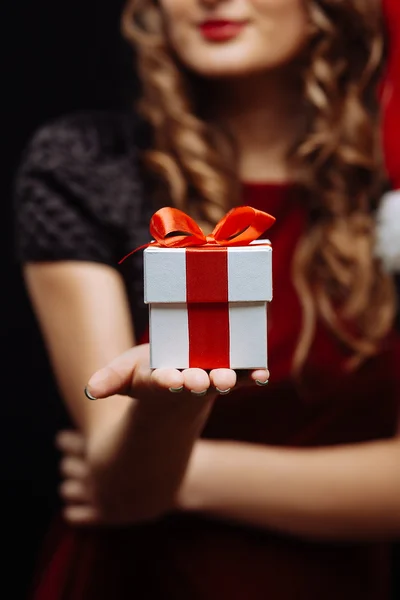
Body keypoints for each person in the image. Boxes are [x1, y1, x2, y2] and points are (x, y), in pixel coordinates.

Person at [14, 0, 400, 599]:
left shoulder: (390, 190)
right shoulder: (88, 164)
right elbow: (126, 487)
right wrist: (170, 404)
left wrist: (196, 476)